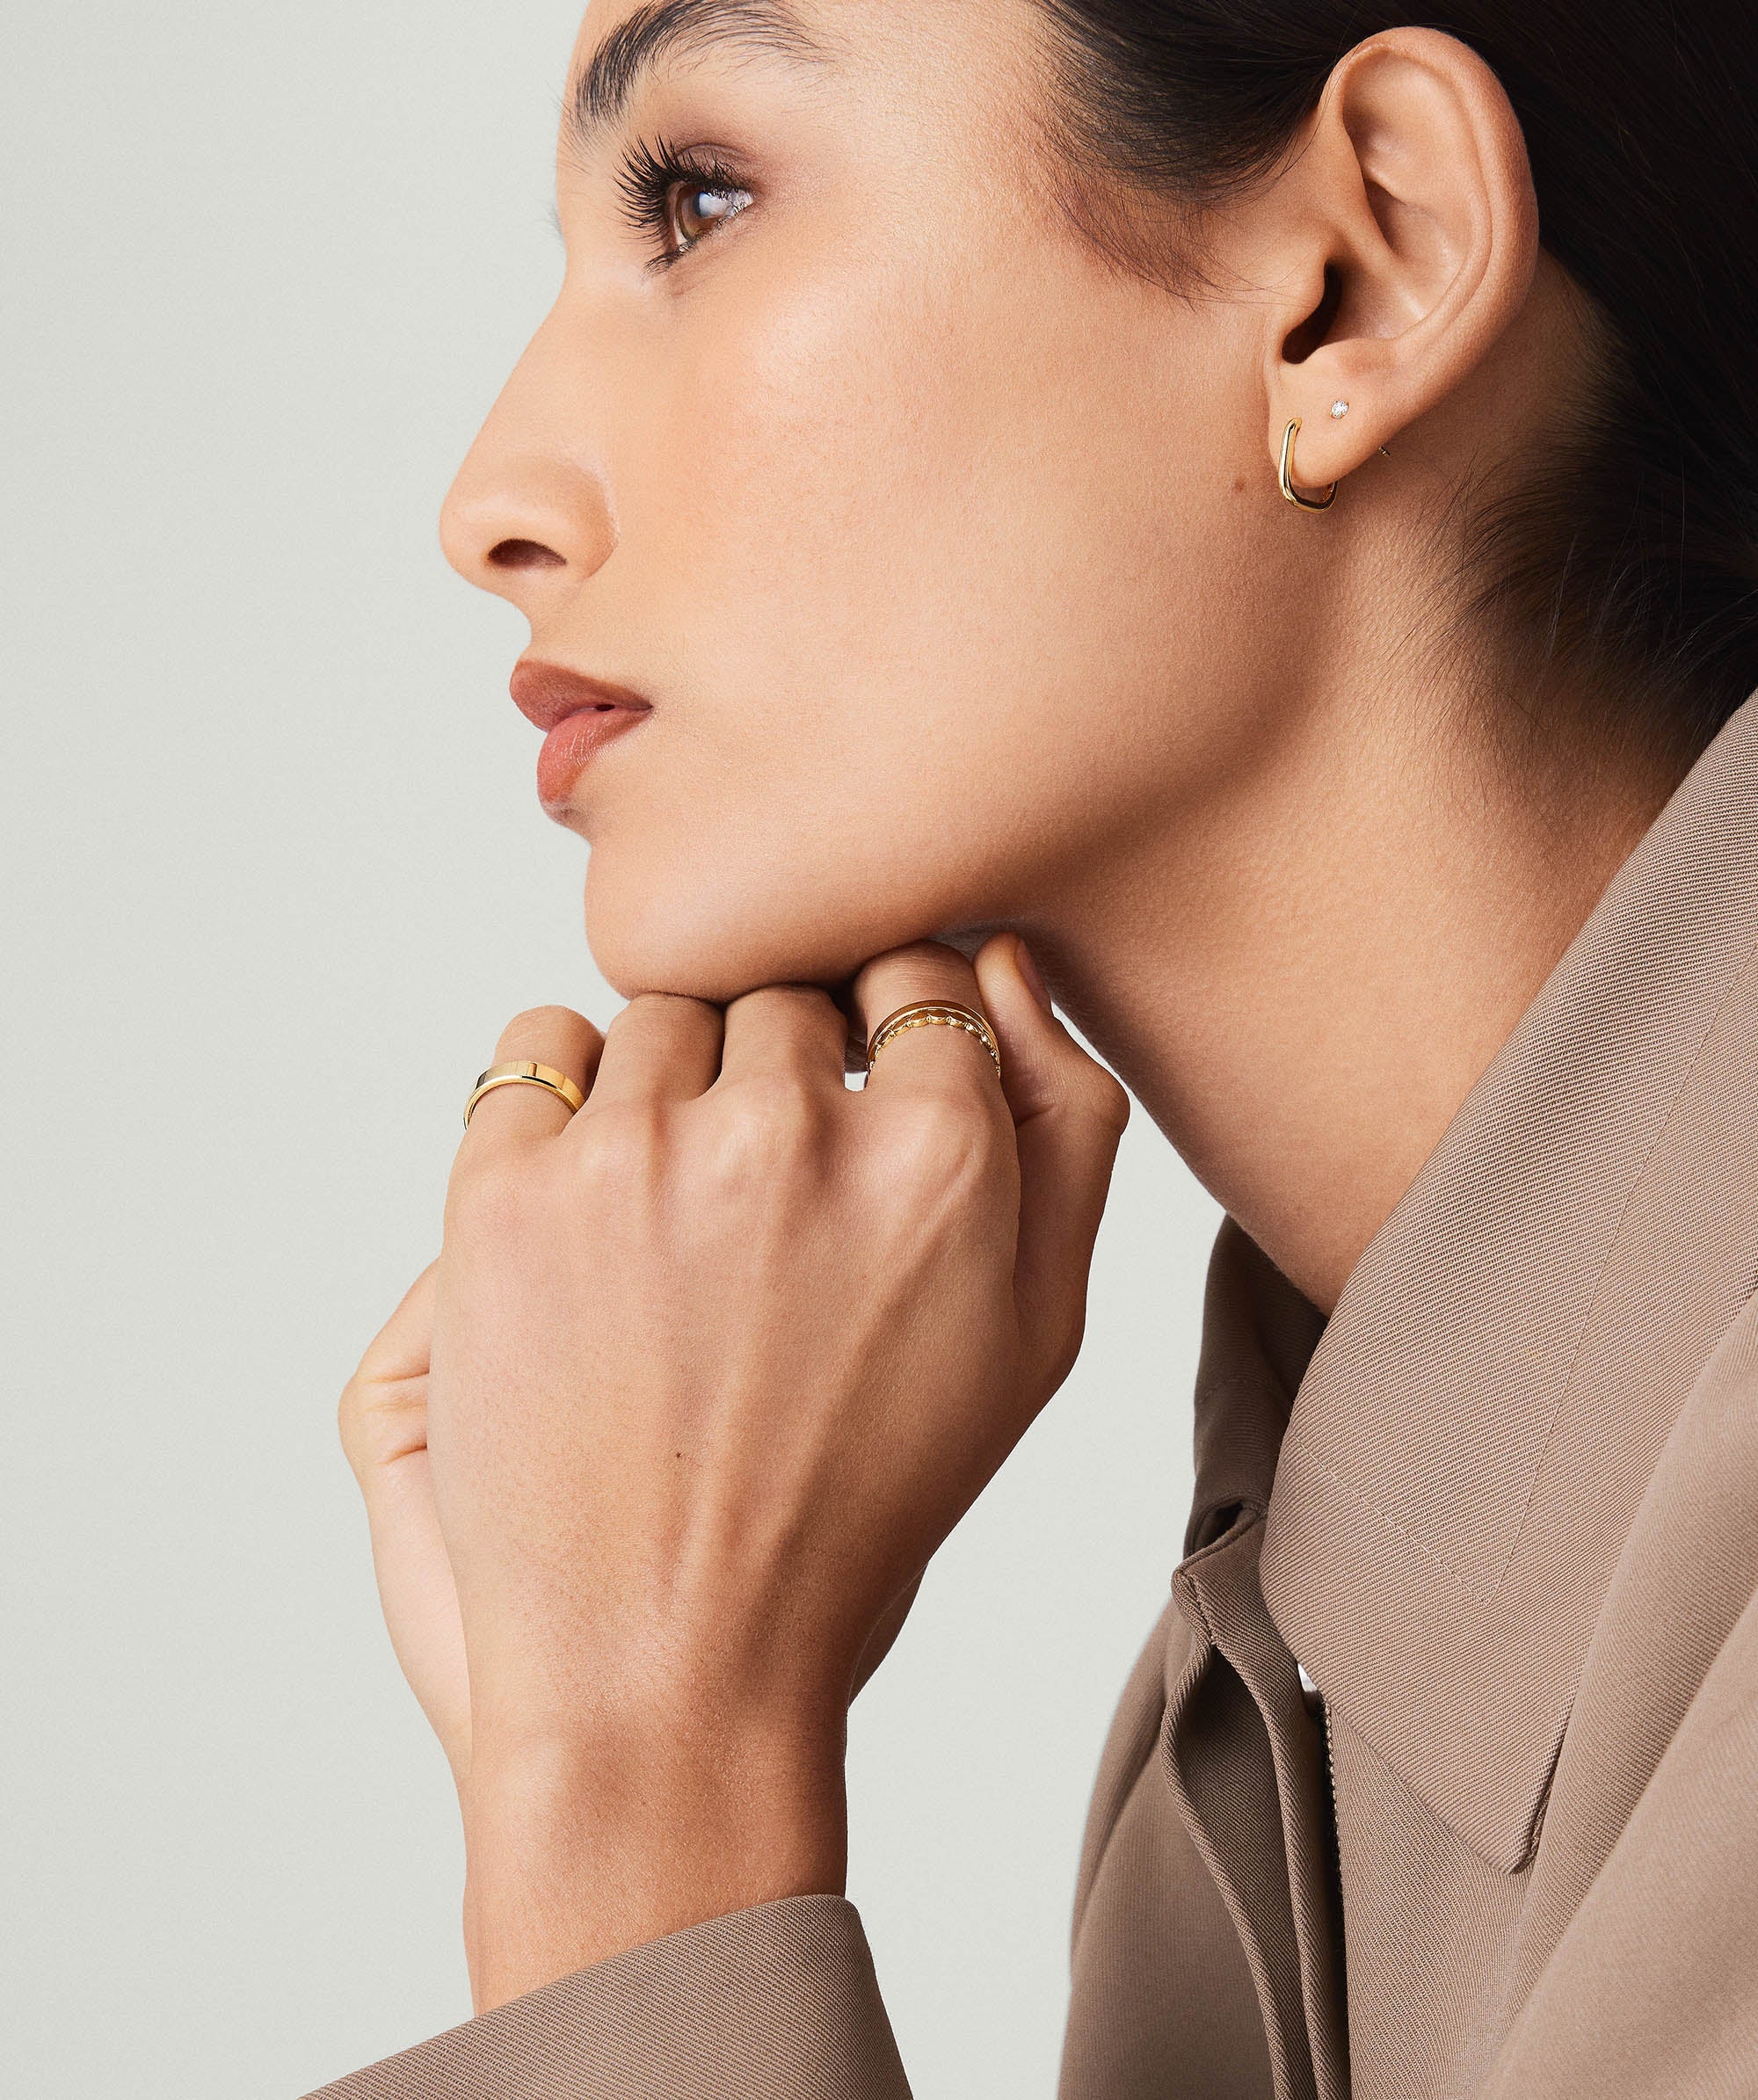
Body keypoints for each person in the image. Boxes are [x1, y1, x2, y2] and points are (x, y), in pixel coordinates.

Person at [316, 2, 1758, 2094]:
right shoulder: (1259, 1720)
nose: (489, 505)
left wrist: (640, 1803)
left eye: (699, 200)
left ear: (1360, 272)